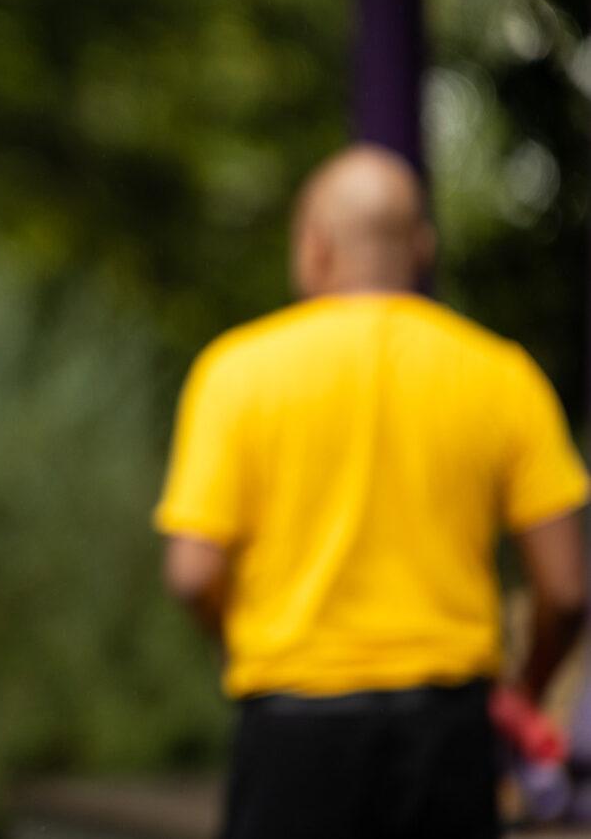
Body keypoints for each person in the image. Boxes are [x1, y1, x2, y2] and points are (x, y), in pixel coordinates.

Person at [155, 143, 590, 839]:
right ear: (421, 247)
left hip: (292, 732)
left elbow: (192, 571)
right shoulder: (504, 376)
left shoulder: (236, 373)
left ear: (316, 244)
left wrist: (234, 637)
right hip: (446, 742)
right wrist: (523, 692)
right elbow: (566, 591)